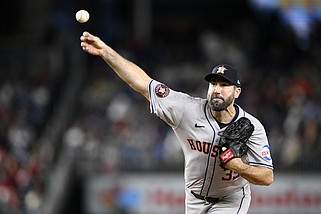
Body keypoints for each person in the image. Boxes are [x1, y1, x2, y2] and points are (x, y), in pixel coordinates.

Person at [80, 31, 274, 214]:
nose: (217, 89)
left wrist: (237, 166)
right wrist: (105, 51)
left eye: (224, 85)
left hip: (230, 198)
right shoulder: (186, 110)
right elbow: (142, 83)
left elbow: (267, 177)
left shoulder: (252, 127)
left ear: (237, 92)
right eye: (213, 84)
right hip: (194, 199)